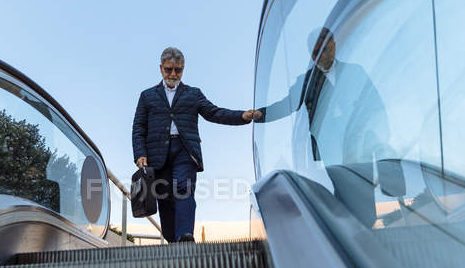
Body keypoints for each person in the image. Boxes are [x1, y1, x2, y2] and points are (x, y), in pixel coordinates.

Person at [257, 27, 403, 228]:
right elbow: (287, 105)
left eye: (323, 49)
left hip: (360, 145)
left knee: (364, 192)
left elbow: (374, 104)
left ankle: (362, 232)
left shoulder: (355, 72)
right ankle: (351, 234)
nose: (318, 56)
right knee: (344, 190)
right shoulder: (307, 81)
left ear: (333, 45)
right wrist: (258, 115)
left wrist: (381, 136)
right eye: (314, 53)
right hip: (331, 148)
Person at [132, 47, 259, 242]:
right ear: (160, 69)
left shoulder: (193, 93)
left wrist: (242, 116)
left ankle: (185, 235)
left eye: (178, 70)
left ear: (183, 70)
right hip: (157, 155)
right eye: (169, 70)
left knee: (183, 189)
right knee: (165, 198)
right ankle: (173, 239)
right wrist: (140, 153)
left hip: (185, 150)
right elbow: (139, 127)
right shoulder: (147, 96)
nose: (173, 74)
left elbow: (214, 112)